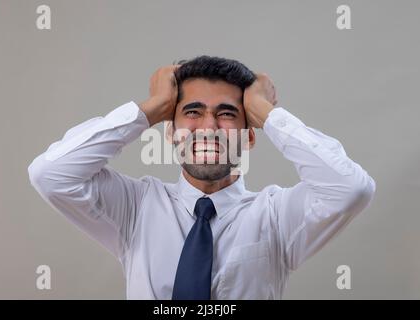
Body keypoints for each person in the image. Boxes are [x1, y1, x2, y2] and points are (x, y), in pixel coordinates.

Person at [28, 55, 376, 299]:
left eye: (227, 114)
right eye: (192, 112)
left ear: (250, 135)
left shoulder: (275, 215)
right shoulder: (136, 208)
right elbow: (51, 174)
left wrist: (270, 115)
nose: (208, 128)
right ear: (170, 131)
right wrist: (151, 107)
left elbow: (351, 188)